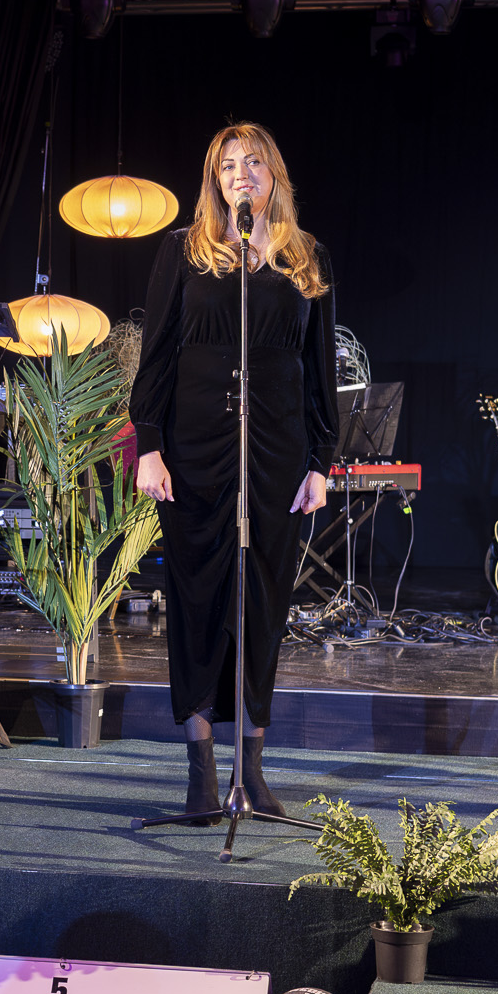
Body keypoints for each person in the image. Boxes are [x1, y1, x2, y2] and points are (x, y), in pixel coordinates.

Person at [130, 123, 336, 824]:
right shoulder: (184, 251)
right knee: (196, 604)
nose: (239, 173)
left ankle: (252, 771)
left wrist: (321, 461)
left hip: (276, 454)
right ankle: (200, 774)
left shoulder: (307, 257)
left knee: (264, 606)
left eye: (252, 162)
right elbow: (156, 354)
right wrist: (148, 446)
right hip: (195, 451)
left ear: (274, 174)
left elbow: (319, 372)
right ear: (214, 181)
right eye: (226, 165)